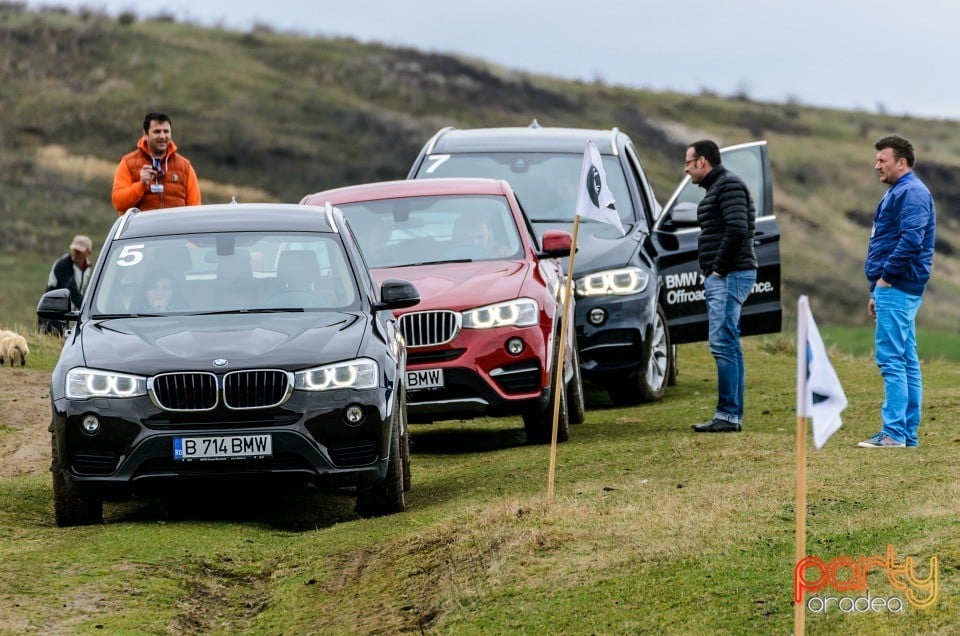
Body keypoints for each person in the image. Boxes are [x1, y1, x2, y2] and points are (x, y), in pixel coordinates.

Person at [858, 135, 936, 449]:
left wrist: (885, 280)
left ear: (901, 162)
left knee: (892, 360)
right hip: (893, 287)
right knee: (905, 359)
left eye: (883, 160)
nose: (877, 165)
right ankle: (906, 433)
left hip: (898, 285)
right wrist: (876, 288)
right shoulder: (900, 191)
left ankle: (893, 434)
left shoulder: (912, 193)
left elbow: (911, 240)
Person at [684, 140, 758, 433]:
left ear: (702, 161)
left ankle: (727, 415)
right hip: (729, 274)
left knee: (722, 344)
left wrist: (717, 269)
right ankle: (731, 414)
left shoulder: (728, 185)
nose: (686, 169)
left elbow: (737, 229)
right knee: (729, 343)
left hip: (730, 275)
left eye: (688, 163)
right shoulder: (720, 187)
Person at [111, 112, 201, 215]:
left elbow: (195, 208)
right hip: (141, 230)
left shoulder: (185, 167)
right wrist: (141, 185)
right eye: (157, 131)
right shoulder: (128, 163)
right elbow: (118, 203)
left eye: (166, 131)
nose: (162, 136)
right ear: (145, 134)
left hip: (175, 230)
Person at [38, 235, 94, 335]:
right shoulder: (63, 265)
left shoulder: (87, 267)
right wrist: (89, 311)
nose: (75, 254)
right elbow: (73, 292)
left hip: (67, 314)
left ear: (88, 253)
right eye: (74, 250)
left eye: (79, 251)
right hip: (52, 315)